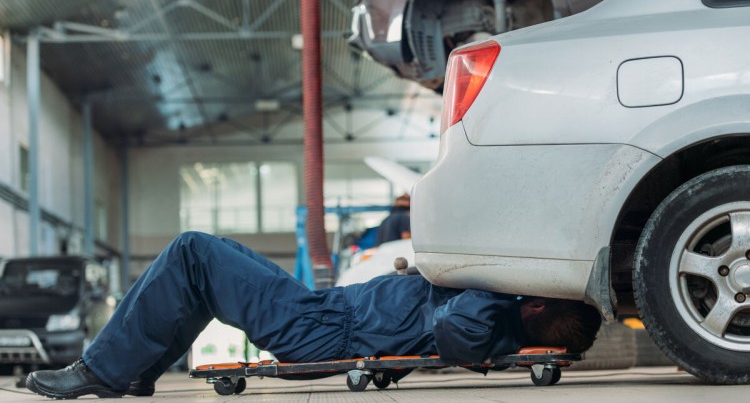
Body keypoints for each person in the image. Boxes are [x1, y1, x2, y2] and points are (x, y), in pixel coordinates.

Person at [26, 231, 602, 400]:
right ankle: (132, 371)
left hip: (319, 327)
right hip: (322, 311)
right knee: (208, 261)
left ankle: (99, 370)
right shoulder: (498, 313)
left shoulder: (488, 317)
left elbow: (453, 330)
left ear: (536, 304)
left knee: (191, 250)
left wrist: (485, 288)